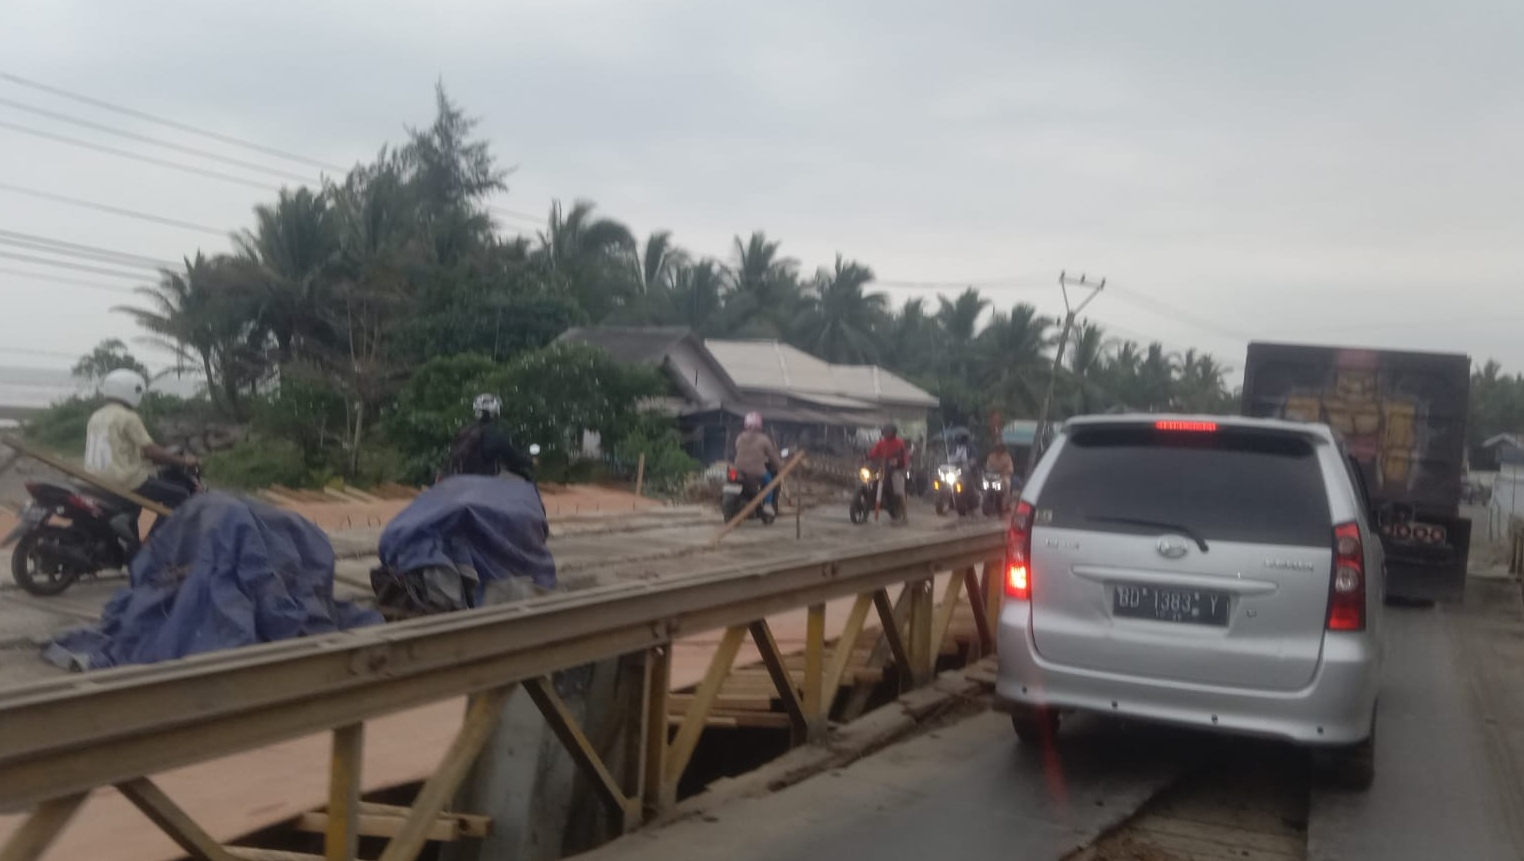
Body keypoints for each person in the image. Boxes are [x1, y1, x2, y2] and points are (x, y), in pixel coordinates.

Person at [84, 369, 199, 514]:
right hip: (124, 482)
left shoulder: (97, 415)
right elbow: (152, 452)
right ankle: (162, 535)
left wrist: (143, 455)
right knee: (180, 494)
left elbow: (118, 447)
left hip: (95, 478)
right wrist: (185, 461)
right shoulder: (128, 417)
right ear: (132, 391)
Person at [446, 394, 536, 481]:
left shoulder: (465, 432)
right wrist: (530, 462)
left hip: (459, 481)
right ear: (494, 412)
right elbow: (513, 457)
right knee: (520, 481)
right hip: (485, 483)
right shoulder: (494, 434)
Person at [733, 411, 782, 514]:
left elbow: (737, 449)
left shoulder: (740, 437)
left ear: (746, 424)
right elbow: (772, 456)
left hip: (738, 470)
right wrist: (779, 465)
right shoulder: (764, 439)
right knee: (769, 482)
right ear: (759, 425)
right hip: (756, 471)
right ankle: (768, 505)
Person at [866, 423, 911, 523]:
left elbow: (904, 456)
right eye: (885, 431)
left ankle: (905, 517)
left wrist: (897, 462)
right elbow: (873, 453)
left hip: (896, 470)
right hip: (883, 468)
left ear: (893, 433)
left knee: (899, 491)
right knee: (869, 480)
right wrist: (866, 456)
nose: (885, 433)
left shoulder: (899, 443)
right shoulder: (881, 443)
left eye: (887, 431)